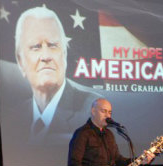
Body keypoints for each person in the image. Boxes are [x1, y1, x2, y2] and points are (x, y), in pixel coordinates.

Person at [10, 6, 101, 143]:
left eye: (53, 45)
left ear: (64, 53)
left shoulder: (92, 110)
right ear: (20, 61)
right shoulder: (13, 118)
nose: (46, 56)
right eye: (36, 46)